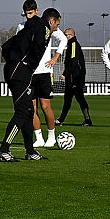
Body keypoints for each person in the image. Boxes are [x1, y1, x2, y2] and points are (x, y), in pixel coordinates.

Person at [0, 4, 52, 162]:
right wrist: (28, 64)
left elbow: (6, 46)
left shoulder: (25, 30)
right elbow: (39, 47)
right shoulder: (43, 27)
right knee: (22, 111)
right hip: (20, 73)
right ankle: (4, 149)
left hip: (16, 71)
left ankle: (30, 151)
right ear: (53, 21)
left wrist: (13, 62)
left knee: (29, 111)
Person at [32, 10, 68, 147]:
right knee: (32, 108)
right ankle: (39, 138)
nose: (57, 27)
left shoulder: (50, 29)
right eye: (57, 23)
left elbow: (64, 39)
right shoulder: (22, 27)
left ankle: (51, 137)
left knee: (45, 106)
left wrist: (55, 57)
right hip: (30, 73)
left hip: (45, 72)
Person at [60, 27, 93, 126]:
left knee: (78, 98)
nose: (66, 37)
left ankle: (87, 120)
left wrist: (65, 73)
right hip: (73, 76)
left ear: (71, 35)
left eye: (67, 35)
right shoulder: (71, 44)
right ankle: (61, 119)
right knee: (69, 98)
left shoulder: (73, 44)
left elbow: (73, 61)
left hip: (75, 77)